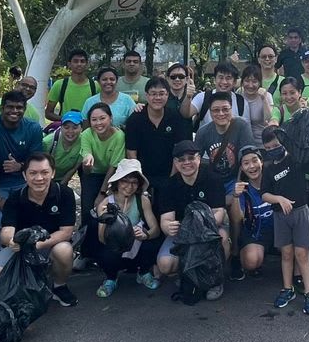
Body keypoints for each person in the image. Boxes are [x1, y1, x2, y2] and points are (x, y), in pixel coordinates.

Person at [0, 153, 78, 308]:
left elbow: (66, 232)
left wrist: (36, 245)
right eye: (33, 173)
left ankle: (59, 285)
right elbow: (6, 231)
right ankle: (22, 294)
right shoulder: (15, 198)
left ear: (53, 173)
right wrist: (11, 241)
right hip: (20, 248)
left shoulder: (65, 194)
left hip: (50, 245)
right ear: (24, 175)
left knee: (64, 250)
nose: (39, 178)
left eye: (44, 172)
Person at [154, 142, 229, 300]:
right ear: (175, 163)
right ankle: (186, 274)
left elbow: (219, 214)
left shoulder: (213, 179)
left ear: (199, 159)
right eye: (181, 159)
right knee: (165, 264)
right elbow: (165, 221)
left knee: (222, 239)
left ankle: (216, 279)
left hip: (209, 230)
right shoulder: (168, 186)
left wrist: (198, 226)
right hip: (182, 234)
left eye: (190, 158)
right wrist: (169, 227)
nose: (186, 162)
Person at [258, 125, 309, 313]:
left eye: (275, 145)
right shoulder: (268, 168)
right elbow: (264, 194)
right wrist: (279, 199)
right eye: (267, 148)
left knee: (302, 254)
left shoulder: (296, 160)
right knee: (286, 254)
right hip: (280, 215)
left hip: (300, 211)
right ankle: (287, 288)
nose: (272, 150)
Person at [0, 91, 45, 252]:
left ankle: (30, 259)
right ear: (1, 108)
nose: (14, 111)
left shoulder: (33, 128)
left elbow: (36, 161)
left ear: (25, 108)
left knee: (31, 217)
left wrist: (20, 166)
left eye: (19, 107)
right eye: (10, 107)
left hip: (22, 181)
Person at [89, 158, 162, 298]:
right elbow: (101, 238)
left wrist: (145, 234)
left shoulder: (142, 200)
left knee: (152, 244)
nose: (129, 186)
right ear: (118, 182)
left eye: (134, 182)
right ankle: (111, 278)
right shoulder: (106, 203)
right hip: (115, 246)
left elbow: (155, 230)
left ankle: (143, 272)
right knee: (103, 251)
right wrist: (106, 220)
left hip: (137, 244)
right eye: (125, 181)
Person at [125, 76, 191, 187]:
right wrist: (140, 180)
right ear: (146, 95)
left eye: (161, 93)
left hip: (170, 175)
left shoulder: (175, 117)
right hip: (142, 177)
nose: (157, 97)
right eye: (153, 94)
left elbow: (179, 150)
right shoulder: (135, 119)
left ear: (167, 95)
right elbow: (132, 153)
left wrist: (172, 178)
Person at [78, 102, 127, 232]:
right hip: (92, 173)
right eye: (94, 120)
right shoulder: (87, 134)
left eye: (102, 118)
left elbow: (113, 166)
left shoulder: (119, 136)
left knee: (105, 207)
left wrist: (102, 193)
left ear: (110, 118)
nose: (98, 123)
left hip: (112, 175)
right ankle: (85, 244)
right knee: (88, 208)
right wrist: (87, 163)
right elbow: (86, 169)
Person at [228, 145, 273, 279]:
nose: (252, 166)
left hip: (278, 231)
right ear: (241, 168)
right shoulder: (242, 188)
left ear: (262, 162)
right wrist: (235, 196)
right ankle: (241, 257)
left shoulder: (273, 181)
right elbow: (237, 219)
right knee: (252, 261)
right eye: (246, 163)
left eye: (255, 161)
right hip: (255, 234)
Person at [195, 91, 256, 177]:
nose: (221, 113)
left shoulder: (242, 125)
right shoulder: (203, 132)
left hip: (237, 177)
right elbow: (196, 159)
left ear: (231, 109)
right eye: (216, 110)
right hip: (214, 178)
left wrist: (239, 182)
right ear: (210, 112)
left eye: (225, 109)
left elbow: (249, 155)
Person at [187, 62, 245, 130]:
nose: (224, 82)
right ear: (214, 80)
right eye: (221, 77)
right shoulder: (203, 97)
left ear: (234, 82)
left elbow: (245, 127)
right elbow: (187, 114)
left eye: (228, 78)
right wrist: (187, 97)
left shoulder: (241, 102)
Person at [45, 50, 99, 122]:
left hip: (89, 130)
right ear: (69, 64)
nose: (79, 64)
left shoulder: (96, 86)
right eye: (75, 61)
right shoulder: (60, 85)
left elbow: (102, 111)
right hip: (67, 130)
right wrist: (68, 119)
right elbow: (48, 113)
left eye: (82, 61)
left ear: (87, 64)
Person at [49, 111, 86, 187]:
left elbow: (74, 168)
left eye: (75, 127)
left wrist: (60, 187)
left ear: (81, 128)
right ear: (61, 127)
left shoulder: (84, 142)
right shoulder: (49, 141)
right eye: (66, 127)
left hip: (63, 179)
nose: (70, 131)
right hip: (46, 178)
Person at [238, 62, 274, 138]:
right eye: (247, 81)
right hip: (243, 142)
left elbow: (268, 120)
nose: (250, 85)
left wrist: (264, 99)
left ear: (260, 82)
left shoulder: (266, 96)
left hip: (262, 143)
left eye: (254, 81)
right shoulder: (239, 93)